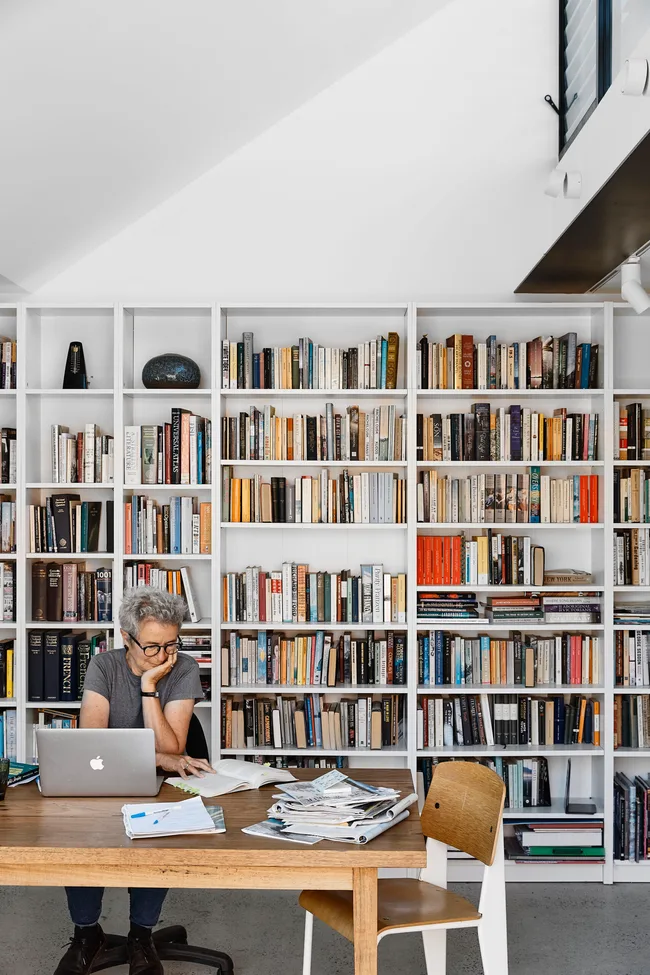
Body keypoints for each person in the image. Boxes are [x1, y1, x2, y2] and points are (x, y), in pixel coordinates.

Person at [54, 587, 213, 975]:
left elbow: (174, 744)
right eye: (151, 646)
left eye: (170, 644)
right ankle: (86, 934)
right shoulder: (103, 667)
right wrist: (160, 758)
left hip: (163, 790)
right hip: (106, 782)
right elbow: (95, 743)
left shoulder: (184, 668)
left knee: (156, 833)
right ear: (126, 638)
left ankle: (143, 935)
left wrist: (149, 686)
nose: (163, 656)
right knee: (82, 831)